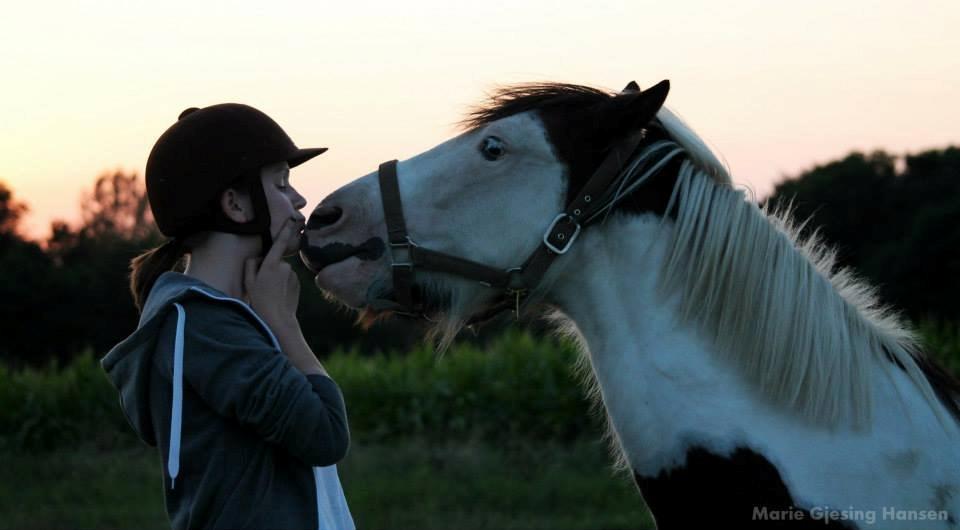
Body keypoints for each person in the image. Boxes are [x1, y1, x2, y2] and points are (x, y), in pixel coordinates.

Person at [100, 103, 355, 530]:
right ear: (236, 204)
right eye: (281, 183)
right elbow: (326, 435)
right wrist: (283, 324)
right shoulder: (207, 328)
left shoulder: (219, 321)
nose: (299, 200)